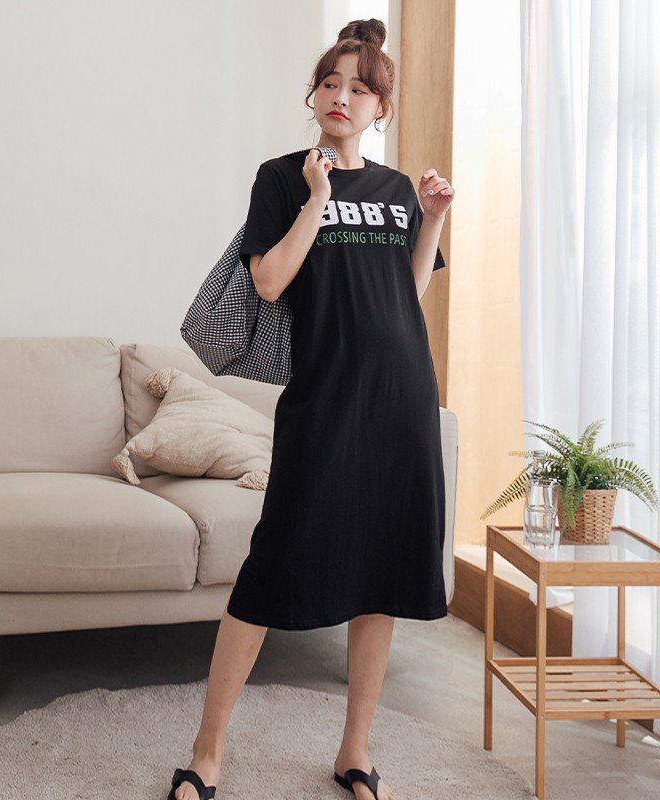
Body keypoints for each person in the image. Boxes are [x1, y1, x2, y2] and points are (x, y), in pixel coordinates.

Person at [167, 18, 454, 800]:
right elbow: (268, 282)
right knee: (269, 569)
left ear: (379, 109)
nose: (341, 96)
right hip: (325, 397)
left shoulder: (397, 191)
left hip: (403, 397)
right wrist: (317, 199)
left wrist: (431, 217)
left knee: (384, 572)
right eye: (331, 82)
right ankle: (207, 753)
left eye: (359, 88)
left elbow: (405, 297)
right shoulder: (283, 178)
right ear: (315, 94)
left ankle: (355, 752)